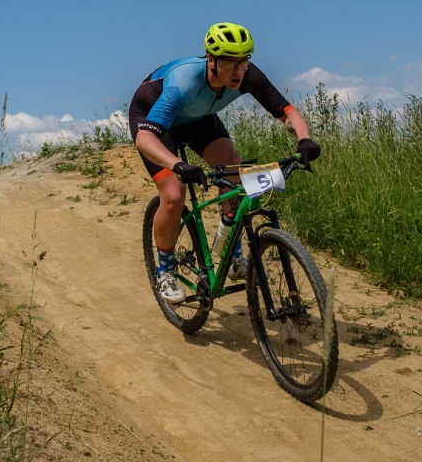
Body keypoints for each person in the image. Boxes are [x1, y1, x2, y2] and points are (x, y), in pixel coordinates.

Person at [128, 22, 321, 303]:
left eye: (244, 62)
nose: (239, 71)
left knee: (233, 168)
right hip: (154, 122)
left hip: (198, 120)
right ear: (211, 60)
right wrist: (178, 165)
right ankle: (165, 271)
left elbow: (287, 111)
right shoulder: (183, 83)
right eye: (231, 64)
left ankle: (231, 254)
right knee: (173, 196)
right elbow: (144, 140)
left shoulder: (248, 75)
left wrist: (304, 140)